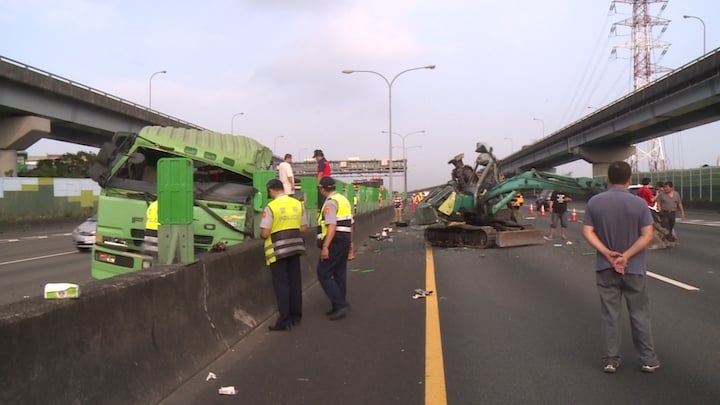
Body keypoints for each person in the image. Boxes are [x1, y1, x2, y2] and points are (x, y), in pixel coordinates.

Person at [581, 161, 660, 374]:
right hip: (633, 268)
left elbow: (587, 231)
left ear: (608, 178)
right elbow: (648, 235)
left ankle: (610, 360)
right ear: (629, 179)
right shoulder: (639, 204)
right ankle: (647, 359)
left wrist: (607, 253)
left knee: (610, 315)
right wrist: (626, 256)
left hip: (605, 267)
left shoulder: (595, 202)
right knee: (640, 314)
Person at [260, 179, 307, 331]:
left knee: (282, 286)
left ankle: (284, 321)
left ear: (271, 190)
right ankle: (296, 317)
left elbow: (265, 232)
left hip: (278, 251)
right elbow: (303, 228)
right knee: (295, 283)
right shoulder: (297, 204)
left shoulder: (271, 207)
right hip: (295, 248)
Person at [316, 177, 353, 320]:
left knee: (323, 273)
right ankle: (337, 306)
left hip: (334, 241)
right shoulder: (343, 200)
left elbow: (331, 225)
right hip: (344, 239)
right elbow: (351, 224)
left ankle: (341, 304)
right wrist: (351, 244)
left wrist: (325, 246)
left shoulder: (330, 203)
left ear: (322, 189)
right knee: (339, 272)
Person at [143, 199, 159, 267]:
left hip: (148, 230)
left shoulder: (153, 204)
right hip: (158, 231)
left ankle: (144, 270)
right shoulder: (166, 205)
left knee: (147, 254)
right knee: (156, 254)